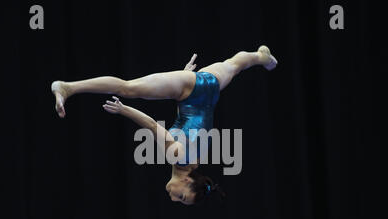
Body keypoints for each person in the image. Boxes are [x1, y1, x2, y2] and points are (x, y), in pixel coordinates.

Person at [51, 46, 277, 205]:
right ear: (187, 181)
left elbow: (186, 123)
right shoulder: (177, 157)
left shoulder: (195, 160)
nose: (173, 198)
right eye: (181, 197)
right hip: (190, 91)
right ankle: (67, 87)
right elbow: (151, 124)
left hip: (210, 88)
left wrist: (183, 76)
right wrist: (124, 109)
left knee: (235, 65)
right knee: (127, 89)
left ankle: (261, 56)